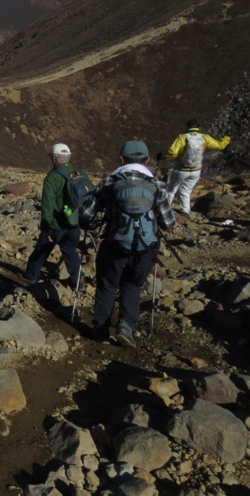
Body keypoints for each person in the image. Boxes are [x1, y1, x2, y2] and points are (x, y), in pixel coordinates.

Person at [79, 140, 176, 347]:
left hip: (115, 244)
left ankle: (100, 329)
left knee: (106, 285)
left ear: (121, 159)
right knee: (132, 285)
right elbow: (169, 222)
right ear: (147, 160)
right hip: (146, 248)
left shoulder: (110, 182)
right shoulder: (157, 185)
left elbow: (86, 214)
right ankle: (126, 326)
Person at [20, 143, 85, 288]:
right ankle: (78, 279)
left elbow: (47, 204)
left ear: (55, 158)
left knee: (42, 250)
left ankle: (31, 276)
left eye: (50, 157)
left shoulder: (52, 177)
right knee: (70, 250)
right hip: (74, 221)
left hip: (57, 223)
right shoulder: (80, 173)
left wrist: (45, 226)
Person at [162, 118, 230, 215]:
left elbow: (172, 153)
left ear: (187, 127)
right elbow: (220, 145)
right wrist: (227, 137)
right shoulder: (204, 137)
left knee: (171, 190)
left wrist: (164, 157)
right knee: (186, 190)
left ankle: (166, 210)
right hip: (196, 171)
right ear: (199, 127)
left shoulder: (182, 137)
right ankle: (185, 211)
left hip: (181, 169)